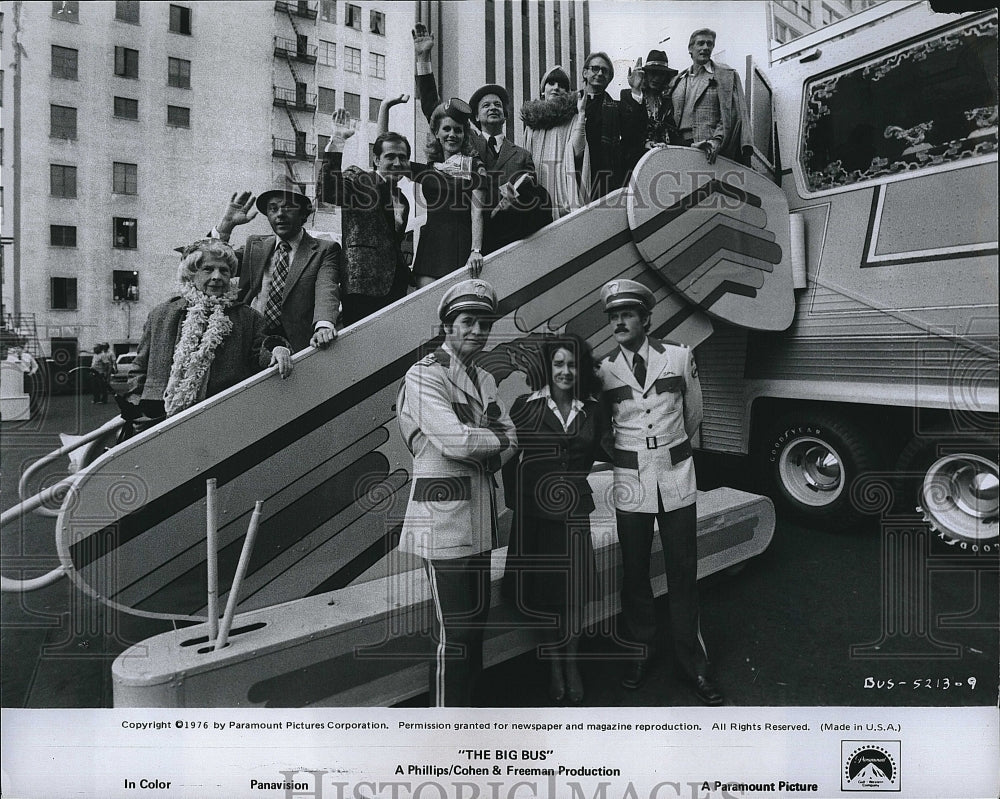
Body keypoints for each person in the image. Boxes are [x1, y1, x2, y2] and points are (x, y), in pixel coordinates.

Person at [596, 278, 723, 706]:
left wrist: (666, 452)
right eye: (613, 316)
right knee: (634, 573)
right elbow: (603, 433)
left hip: (674, 474)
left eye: (626, 314)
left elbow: (694, 414)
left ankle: (693, 665)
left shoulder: (679, 357)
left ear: (646, 319)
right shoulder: (604, 369)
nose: (618, 322)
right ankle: (640, 654)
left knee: (683, 572)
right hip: (631, 480)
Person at [396, 278, 517, 706]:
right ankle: (445, 729)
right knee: (456, 633)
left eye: (484, 324)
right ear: (447, 325)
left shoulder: (484, 377)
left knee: (477, 626)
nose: (476, 331)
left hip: (480, 516)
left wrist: (482, 439)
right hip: (442, 520)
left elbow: (511, 437)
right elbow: (457, 441)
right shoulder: (424, 374)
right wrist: (488, 441)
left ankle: (470, 720)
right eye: (467, 321)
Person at [502, 334, 605, 705]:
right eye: (558, 364)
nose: (565, 371)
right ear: (548, 368)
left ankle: (571, 664)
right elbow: (509, 460)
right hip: (534, 514)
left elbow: (600, 450)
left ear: (580, 370)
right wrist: (519, 503)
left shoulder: (594, 409)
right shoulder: (522, 406)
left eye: (572, 364)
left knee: (573, 595)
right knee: (544, 595)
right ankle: (553, 667)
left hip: (574, 510)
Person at [413, 23, 551, 254]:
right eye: (486, 105)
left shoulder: (523, 155)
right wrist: (423, 58)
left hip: (509, 239)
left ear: (506, 115)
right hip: (468, 238)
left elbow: (530, 195)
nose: (493, 108)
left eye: (498, 104)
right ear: (475, 116)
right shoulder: (466, 142)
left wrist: (515, 198)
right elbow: (432, 108)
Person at [128, 240, 293, 420]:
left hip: (223, 416)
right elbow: (139, 368)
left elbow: (262, 352)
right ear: (191, 274)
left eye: (224, 270)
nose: (217, 276)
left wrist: (277, 349)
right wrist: (136, 409)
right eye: (208, 269)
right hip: (159, 418)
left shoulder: (248, 317)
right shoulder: (161, 315)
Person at [213, 186, 340, 352]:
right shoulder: (255, 246)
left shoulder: (324, 250)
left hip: (298, 345)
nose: (280, 214)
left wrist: (323, 325)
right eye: (273, 209)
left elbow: (327, 288)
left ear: (303, 214)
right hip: (250, 342)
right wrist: (225, 226)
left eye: (287, 207)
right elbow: (208, 263)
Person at [320, 108, 413, 326]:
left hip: (395, 288)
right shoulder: (359, 179)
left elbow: (393, 245)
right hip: (361, 286)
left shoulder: (403, 200)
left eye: (403, 157)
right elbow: (328, 191)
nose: (397, 163)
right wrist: (337, 141)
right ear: (376, 160)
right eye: (390, 156)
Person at [669, 28, 753, 165]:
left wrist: (717, 140)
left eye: (710, 44)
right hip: (681, 148)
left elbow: (731, 113)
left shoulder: (726, 75)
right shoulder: (677, 81)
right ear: (690, 48)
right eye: (701, 43)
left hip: (710, 149)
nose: (706, 47)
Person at [520, 66, 590, 221]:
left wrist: (582, 113)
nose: (556, 87)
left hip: (562, 197)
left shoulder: (572, 118)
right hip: (537, 198)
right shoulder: (532, 122)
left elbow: (578, 152)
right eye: (551, 83)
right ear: (543, 90)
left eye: (562, 85)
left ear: (567, 92)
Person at [620, 50, 680, 176]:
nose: (657, 78)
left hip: (663, 165)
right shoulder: (628, 95)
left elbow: (674, 134)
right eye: (653, 73)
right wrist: (636, 90)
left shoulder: (668, 101)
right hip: (635, 165)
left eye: (661, 74)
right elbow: (628, 132)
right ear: (645, 74)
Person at [580, 52, 627, 200]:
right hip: (575, 171)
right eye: (595, 68)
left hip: (603, 177)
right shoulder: (569, 103)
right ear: (585, 72)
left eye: (604, 71)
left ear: (609, 78)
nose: (600, 73)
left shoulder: (617, 108)